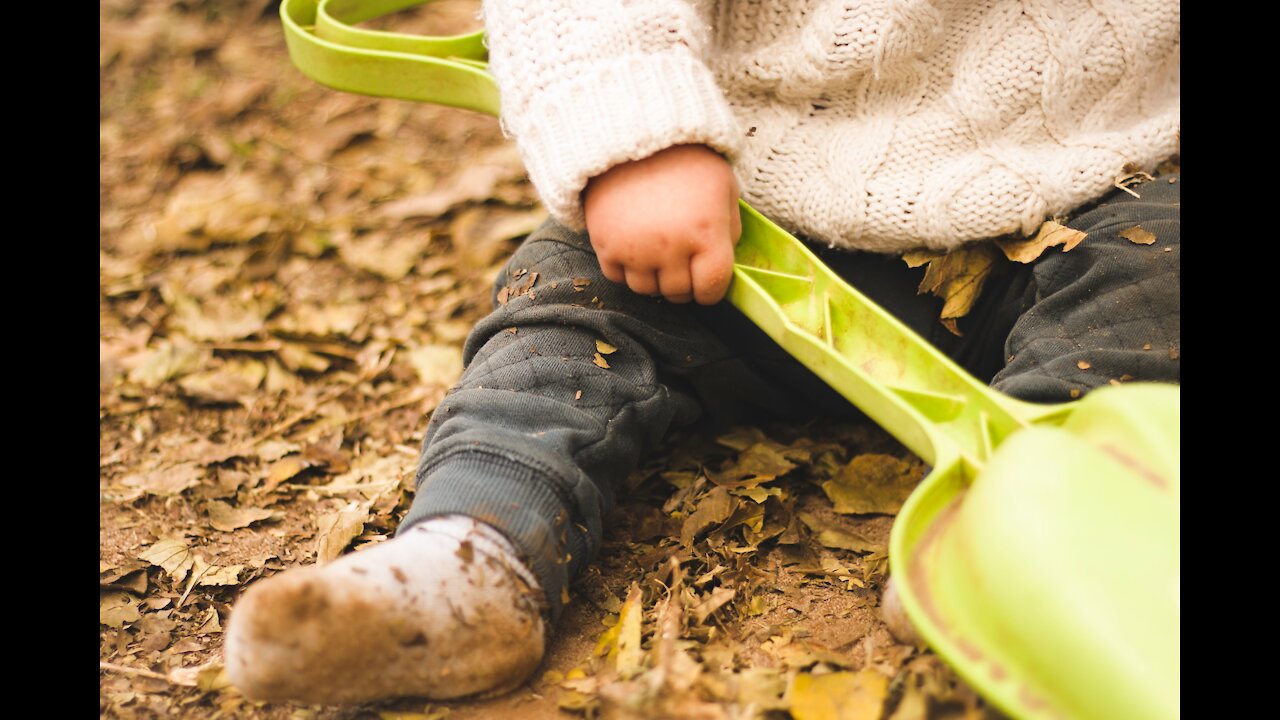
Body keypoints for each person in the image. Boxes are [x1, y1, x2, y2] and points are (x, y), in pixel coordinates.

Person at [225, 0, 1180, 704]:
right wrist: (637, 144)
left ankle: (1027, 536)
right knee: (567, 312)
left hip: (1094, 187)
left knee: (1157, 274)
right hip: (753, 220)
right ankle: (473, 553)